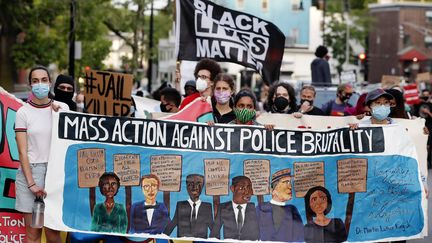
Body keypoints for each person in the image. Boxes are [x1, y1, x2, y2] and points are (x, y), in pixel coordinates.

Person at [15, 66, 69, 243]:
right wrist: (31, 184)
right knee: (33, 235)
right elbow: (22, 152)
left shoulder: (62, 108)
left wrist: (60, 116)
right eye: (35, 81)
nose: (40, 84)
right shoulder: (23, 112)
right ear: (30, 84)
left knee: (54, 235)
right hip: (31, 174)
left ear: (50, 83)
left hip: (55, 174)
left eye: (44, 80)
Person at [256, 169, 304, 242]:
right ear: (274, 190)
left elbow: (300, 238)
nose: (290, 187)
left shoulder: (292, 210)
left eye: (290, 183)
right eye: (286, 182)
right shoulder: (260, 208)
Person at [210, 176, 259, 240]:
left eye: (249, 188)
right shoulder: (223, 208)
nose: (247, 192)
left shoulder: (255, 208)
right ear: (232, 189)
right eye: (242, 188)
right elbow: (214, 234)